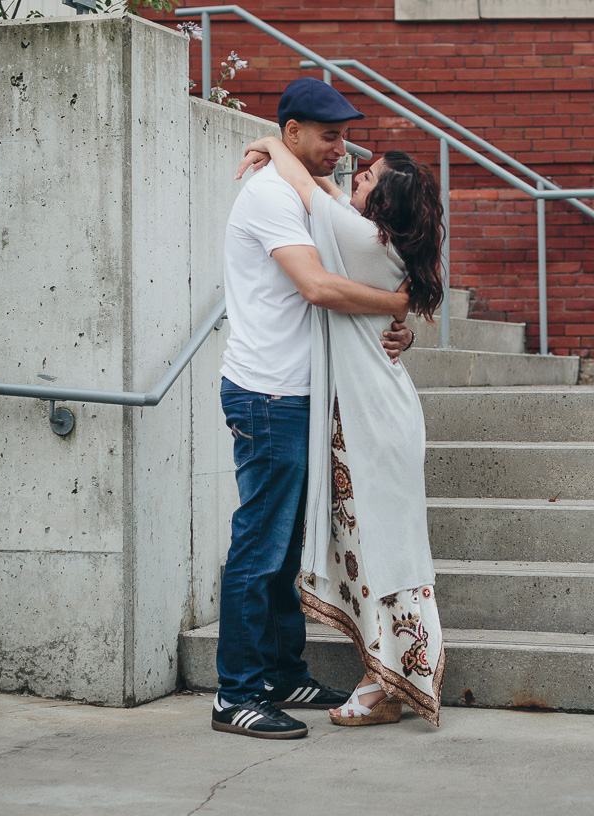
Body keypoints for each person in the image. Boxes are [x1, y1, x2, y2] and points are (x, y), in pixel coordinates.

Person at [211, 77, 416, 741]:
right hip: (266, 395)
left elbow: (356, 250)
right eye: (328, 135)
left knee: (285, 548)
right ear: (295, 131)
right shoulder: (270, 194)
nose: (342, 146)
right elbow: (320, 287)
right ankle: (235, 695)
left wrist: (400, 323)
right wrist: (397, 306)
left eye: (345, 134)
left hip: (298, 393)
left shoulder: (305, 185)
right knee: (259, 548)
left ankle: (279, 673)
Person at [236, 133, 447, 727]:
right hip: (371, 414)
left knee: (386, 550)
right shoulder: (372, 238)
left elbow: (309, 185)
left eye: (369, 177)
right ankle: (390, 672)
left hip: (375, 420)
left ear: (384, 202)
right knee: (374, 548)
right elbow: (325, 190)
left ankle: (388, 681)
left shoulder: (358, 237)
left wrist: (268, 144)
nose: (355, 175)